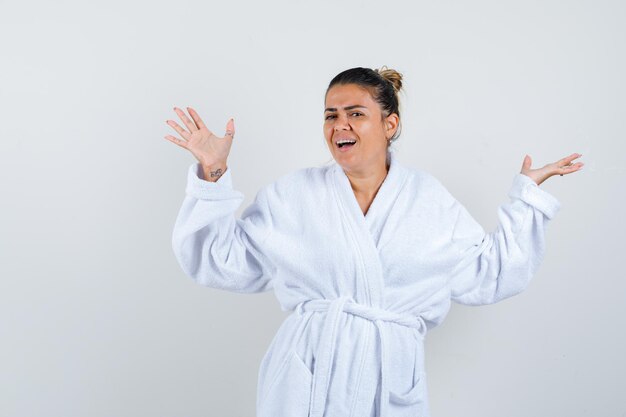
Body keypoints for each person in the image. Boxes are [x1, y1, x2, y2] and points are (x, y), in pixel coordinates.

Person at [164, 66, 583, 417]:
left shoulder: (428, 200)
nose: (339, 125)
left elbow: (491, 273)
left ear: (390, 123)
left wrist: (526, 198)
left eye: (354, 113)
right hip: (306, 378)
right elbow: (220, 259)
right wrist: (213, 173)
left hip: (388, 380)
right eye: (330, 115)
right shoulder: (294, 195)